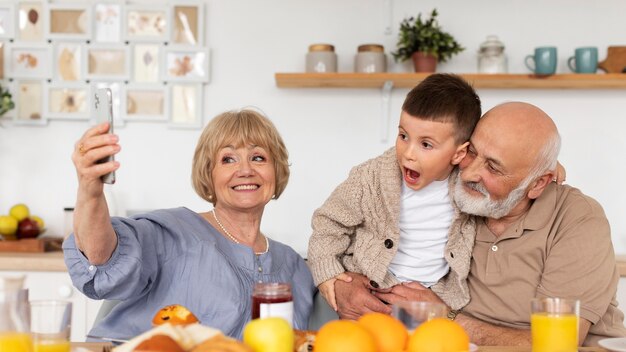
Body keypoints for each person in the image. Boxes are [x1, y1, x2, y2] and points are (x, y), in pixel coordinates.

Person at [372, 102, 626, 346]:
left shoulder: (576, 218)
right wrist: (341, 284)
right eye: (472, 152)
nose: (469, 174)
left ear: (538, 183)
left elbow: (558, 343)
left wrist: (441, 317)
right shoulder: (451, 195)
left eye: (493, 167)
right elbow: (407, 157)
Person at [63, 109, 315, 340]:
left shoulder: (293, 266)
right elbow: (100, 255)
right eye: (228, 159)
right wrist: (90, 190)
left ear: (276, 170)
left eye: (258, 157)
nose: (245, 170)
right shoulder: (173, 233)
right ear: (209, 173)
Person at [307, 73, 482, 317]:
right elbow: (328, 223)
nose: (408, 153)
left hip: (432, 300)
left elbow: (512, 174)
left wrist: (553, 170)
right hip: (371, 294)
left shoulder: (470, 184)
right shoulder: (371, 178)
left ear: (458, 154)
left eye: (426, 145)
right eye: (403, 136)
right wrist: (327, 274)